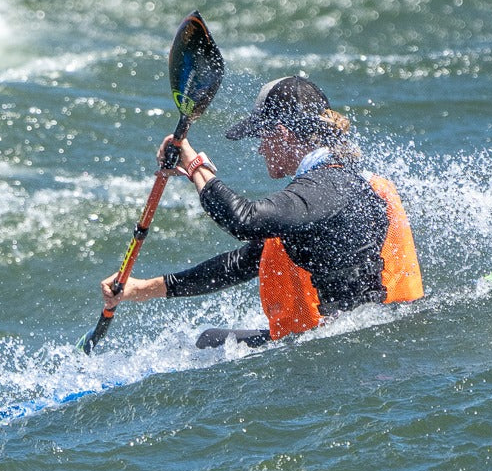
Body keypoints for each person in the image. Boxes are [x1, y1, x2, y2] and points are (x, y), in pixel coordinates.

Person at [100, 75, 424, 348]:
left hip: (353, 349)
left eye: (262, 136)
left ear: (282, 135)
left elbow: (244, 220)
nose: (259, 148)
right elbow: (240, 263)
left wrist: (194, 163)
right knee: (209, 341)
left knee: (206, 346)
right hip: (359, 338)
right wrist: (141, 290)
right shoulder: (335, 187)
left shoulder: (326, 187)